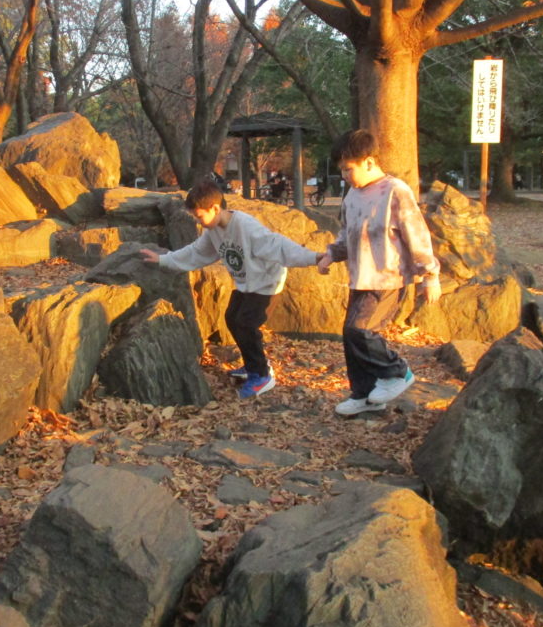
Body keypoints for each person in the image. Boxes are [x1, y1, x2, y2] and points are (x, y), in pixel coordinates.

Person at [140, 177, 323, 399]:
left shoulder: (246, 227)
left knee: (246, 324)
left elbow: (279, 246)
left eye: (200, 216)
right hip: (246, 282)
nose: (198, 222)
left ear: (215, 208)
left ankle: (262, 375)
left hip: (266, 283)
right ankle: (252, 365)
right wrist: (163, 259)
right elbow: (196, 253)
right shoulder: (213, 231)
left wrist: (314, 258)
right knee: (232, 319)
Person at [317, 130, 441, 416]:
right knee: (351, 336)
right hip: (360, 276)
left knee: (361, 330)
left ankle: (397, 372)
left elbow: (417, 234)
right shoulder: (352, 195)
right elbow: (347, 233)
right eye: (342, 170)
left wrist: (430, 275)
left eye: (349, 169)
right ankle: (364, 395)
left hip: (388, 277)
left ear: (370, 162)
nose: (345, 176)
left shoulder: (395, 190)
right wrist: (331, 254)